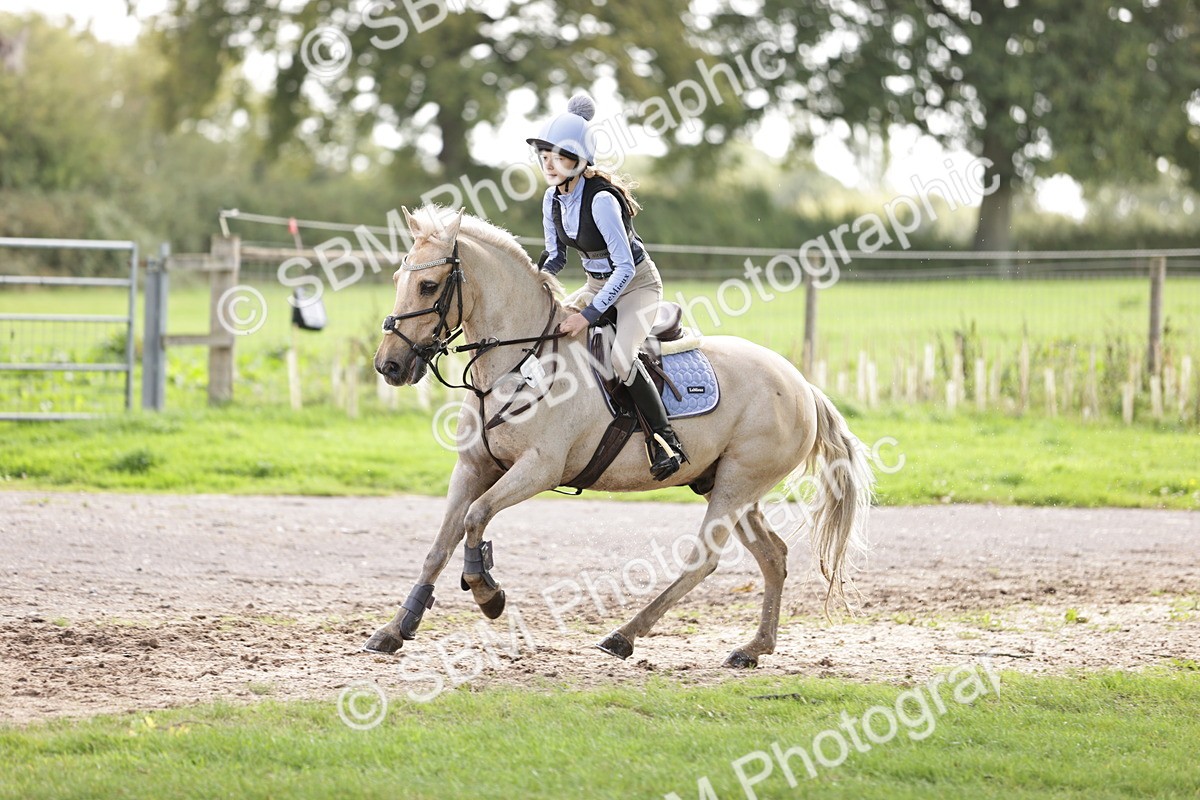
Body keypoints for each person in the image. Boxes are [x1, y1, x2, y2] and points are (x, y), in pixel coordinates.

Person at [526, 94, 687, 481]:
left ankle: (666, 442)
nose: (549, 163)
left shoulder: (600, 202)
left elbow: (625, 267)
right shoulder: (552, 199)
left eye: (559, 156)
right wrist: (529, 283)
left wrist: (588, 315)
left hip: (636, 287)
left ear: (580, 162)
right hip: (596, 283)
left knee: (619, 359)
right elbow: (555, 257)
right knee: (543, 332)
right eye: (544, 155)